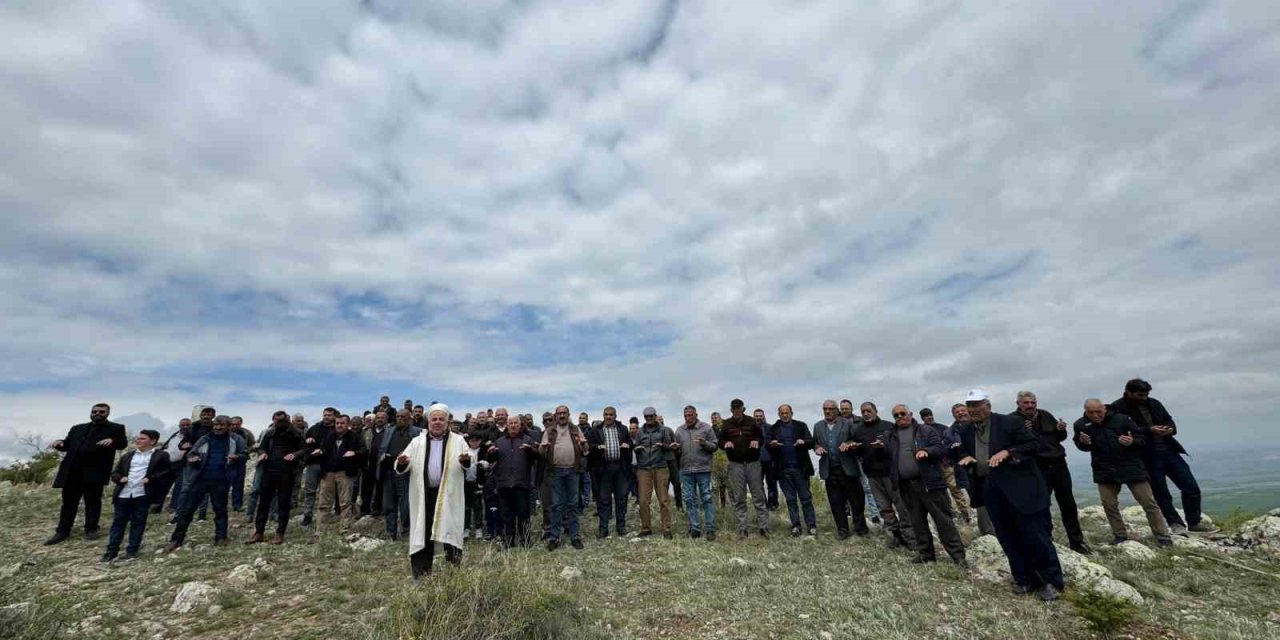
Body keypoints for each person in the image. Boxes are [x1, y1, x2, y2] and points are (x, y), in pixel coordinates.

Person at [958, 389, 1063, 602]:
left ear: (988, 405)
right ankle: (1024, 579)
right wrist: (966, 457)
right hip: (991, 490)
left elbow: (1034, 444)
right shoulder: (967, 430)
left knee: (1036, 536)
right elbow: (960, 451)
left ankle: (1051, 581)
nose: (973, 410)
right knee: (1008, 537)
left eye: (977, 405)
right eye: (970, 406)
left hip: (1022, 489)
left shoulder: (1009, 423)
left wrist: (1008, 452)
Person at [1110, 379, 1217, 534]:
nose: (1144, 397)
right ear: (1129, 392)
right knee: (1161, 493)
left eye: (1146, 394)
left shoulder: (1154, 403)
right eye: (1140, 395)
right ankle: (1175, 524)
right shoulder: (1118, 408)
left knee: (1191, 487)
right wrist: (1149, 430)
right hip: (1146, 457)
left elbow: (1170, 421)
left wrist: (1169, 429)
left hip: (1169, 451)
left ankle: (1194, 522)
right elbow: (1121, 432)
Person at [1073, 399, 1173, 546]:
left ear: (1104, 408)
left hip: (1130, 466)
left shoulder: (1122, 419)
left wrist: (1131, 442)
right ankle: (1120, 536)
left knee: (1148, 502)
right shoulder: (1080, 424)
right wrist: (1083, 443)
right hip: (1104, 469)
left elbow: (1142, 440)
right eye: (1090, 412)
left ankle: (1163, 537)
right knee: (1109, 504)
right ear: (1085, 410)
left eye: (1098, 411)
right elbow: (1081, 445)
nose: (1095, 415)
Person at [394, 404, 472, 580]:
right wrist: (402, 463)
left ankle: (453, 575)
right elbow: (401, 466)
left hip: (449, 496)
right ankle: (421, 576)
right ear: (428, 421)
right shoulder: (417, 442)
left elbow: (470, 462)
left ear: (447, 422)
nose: (437, 422)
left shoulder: (458, 441)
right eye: (434, 419)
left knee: (450, 531)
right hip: (424, 496)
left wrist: (465, 461)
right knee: (423, 532)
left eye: (441, 419)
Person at [886, 405, 967, 567]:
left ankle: (958, 557)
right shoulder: (890, 436)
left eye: (903, 413)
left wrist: (926, 451)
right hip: (906, 486)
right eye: (896, 415)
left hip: (930, 483)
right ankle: (926, 554)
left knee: (943, 520)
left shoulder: (925, 431)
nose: (900, 416)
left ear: (911, 414)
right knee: (917, 522)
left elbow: (941, 449)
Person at [1013, 391, 1089, 554]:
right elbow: (1012, 444)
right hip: (1035, 466)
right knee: (1041, 505)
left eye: (1032, 402)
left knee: (1068, 503)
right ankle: (1046, 540)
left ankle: (1077, 542)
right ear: (1018, 404)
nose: (1030, 406)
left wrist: (1061, 430)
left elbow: (1059, 437)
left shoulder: (1046, 415)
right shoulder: (1012, 420)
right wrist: (1023, 431)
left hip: (1058, 464)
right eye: (1026, 403)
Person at [45, 403, 128, 545]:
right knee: (68, 503)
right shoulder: (78, 428)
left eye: (101, 412)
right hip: (72, 471)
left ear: (107, 413)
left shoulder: (116, 428)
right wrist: (59, 443)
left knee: (93, 501)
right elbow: (67, 445)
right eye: (94, 411)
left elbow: (122, 443)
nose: (97, 413)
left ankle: (91, 529)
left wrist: (113, 440)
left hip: (95, 471)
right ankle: (63, 531)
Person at [167, 415, 248, 551]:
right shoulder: (205, 438)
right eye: (216, 424)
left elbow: (245, 454)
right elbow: (191, 453)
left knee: (220, 510)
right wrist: (193, 458)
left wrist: (237, 457)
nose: (218, 427)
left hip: (222, 480)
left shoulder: (236, 439)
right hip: (200, 479)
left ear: (228, 426)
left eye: (222, 425)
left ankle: (221, 537)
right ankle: (176, 539)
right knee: (187, 510)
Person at [101, 430, 170, 562]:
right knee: (118, 523)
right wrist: (120, 479)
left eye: (142, 438)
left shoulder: (161, 455)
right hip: (124, 493)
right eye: (138, 438)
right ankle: (111, 552)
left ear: (153, 441)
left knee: (138, 523)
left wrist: (151, 478)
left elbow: (166, 472)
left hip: (143, 494)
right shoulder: (128, 456)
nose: (138, 440)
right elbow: (115, 472)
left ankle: (132, 551)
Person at [852, 402, 913, 549]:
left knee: (902, 507)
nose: (866, 413)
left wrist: (884, 446)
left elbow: (897, 447)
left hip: (890, 473)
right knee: (884, 509)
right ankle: (895, 537)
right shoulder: (858, 431)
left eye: (868, 410)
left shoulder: (888, 426)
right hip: (872, 475)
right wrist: (854, 448)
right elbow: (860, 453)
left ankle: (911, 539)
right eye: (863, 411)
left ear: (875, 411)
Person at [247, 411, 305, 545]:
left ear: (287, 420)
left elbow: (304, 449)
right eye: (276, 421)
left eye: (281, 421)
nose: (278, 423)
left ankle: (280, 533)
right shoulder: (270, 433)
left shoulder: (296, 434)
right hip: (269, 471)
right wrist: (262, 454)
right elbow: (261, 448)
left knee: (283, 504)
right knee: (263, 503)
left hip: (287, 472)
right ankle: (259, 532)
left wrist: (294, 455)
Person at [813, 400, 868, 539]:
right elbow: (815, 443)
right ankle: (843, 531)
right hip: (829, 470)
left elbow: (857, 440)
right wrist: (817, 448)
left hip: (848, 468)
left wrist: (849, 443)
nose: (827, 411)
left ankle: (860, 529)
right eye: (825, 408)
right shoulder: (818, 426)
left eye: (831, 408)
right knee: (836, 502)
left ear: (836, 410)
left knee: (857, 500)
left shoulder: (847, 423)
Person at [539, 405, 589, 550]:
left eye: (564, 413)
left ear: (568, 414)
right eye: (559, 413)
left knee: (573, 504)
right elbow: (541, 452)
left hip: (573, 471)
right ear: (555, 415)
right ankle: (554, 537)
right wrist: (543, 447)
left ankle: (575, 536)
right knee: (556, 505)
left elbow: (585, 450)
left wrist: (584, 445)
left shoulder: (575, 429)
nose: (561, 415)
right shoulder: (550, 431)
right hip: (555, 472)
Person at [487, 414, 541, 548]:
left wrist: (530, 451)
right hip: (504, 484)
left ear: (520, 425)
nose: (513, 425)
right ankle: (509, 541)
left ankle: (526, 540)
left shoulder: (527, 440)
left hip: (521, 483)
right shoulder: (499, 442)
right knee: (506, 515)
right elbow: (491, 460)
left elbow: (536, 457)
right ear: (507, 425)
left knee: (523, 514)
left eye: (515, 423)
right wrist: (490, 453)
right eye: (510, 423)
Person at [719, 399, 770, 538]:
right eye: (734, 409)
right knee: (739, 497)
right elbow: (720, 442)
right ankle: (742, 529)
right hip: (735, 464)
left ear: (743, 409)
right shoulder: (726, 424)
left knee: (758, 496)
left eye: (738, 409)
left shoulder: (752, 421)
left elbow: (761, 438)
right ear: (731, 410)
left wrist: (757, 441)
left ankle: (764, 528)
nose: (736, 411)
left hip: (753, 463)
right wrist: (725, 443)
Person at [586, 406, 634, 539]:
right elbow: (589, 446)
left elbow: (630, 442)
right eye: (606, 414)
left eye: (611, 415)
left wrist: (627, 445)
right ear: (603, 416)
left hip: (620, 468)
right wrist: (597, 447)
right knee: (603, 500)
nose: (608, 417)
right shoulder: (597, 430)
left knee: (621, 499)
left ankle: (621, 527)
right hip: (603, 469)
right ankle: (603, 528)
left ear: (615, 416)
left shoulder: (622, 429)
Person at [769, 404, 816, 536]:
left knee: (806, 498)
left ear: (791, 413)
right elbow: (767, 444)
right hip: (783, 470)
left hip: (800, 469)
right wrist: (772, 444)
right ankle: (796, 526)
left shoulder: (801, 425)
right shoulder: (774, 428)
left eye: (787, 413)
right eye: (782, 413)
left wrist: (803, 442)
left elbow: (811, 442)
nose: (785, 415)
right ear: (779, 414)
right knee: (790, 500)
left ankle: (811, 526)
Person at [673, 405, 718, 540]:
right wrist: (675, 449)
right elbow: (677, 451)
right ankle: (695, 528)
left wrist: (705, 443)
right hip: (686, 470)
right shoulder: (680, 431)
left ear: (696, 415)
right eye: (685, 416)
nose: (688, 418)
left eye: (690, 415)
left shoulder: (706, 428)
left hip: (703, 469)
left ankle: (710, 529)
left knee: (707, 498)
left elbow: (715, 446)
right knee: (689, 500)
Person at [313, 415, 365, 527]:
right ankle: (320, 530)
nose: (339, 425)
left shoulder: (355, 437)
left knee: (345, 503)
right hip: (327, 473)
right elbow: (323, 449)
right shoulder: (329, 436)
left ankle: (344, 529)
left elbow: (364, 451)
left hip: (345, 473)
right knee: (324, 503)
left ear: (348, 425)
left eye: (342, 423)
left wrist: (355, 453)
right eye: (337, 423)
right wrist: (320, 451)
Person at [633, 407, 675, 539]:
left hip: (660, 467)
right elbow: (636, 447)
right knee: (643, 500)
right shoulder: (640, 431)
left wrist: (662, 445)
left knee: (663, 500)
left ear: (655, 416)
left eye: (651, 416)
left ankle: (666, 529)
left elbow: (670, 447)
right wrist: (637, 449)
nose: (649, 418)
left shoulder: (664, 430)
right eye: (646, 417)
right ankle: (646, 528)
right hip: (643, 468)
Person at [379, 411, 422, 540]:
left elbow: (421, 451)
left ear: (410, 419)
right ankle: (390, 532)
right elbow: (382, 448)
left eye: (403, 417)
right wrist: (382, 457)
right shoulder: (389, 431)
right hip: (389, 472)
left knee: (406, 504)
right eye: (398, 416)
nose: (400, 419)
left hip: (407, 473)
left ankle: (407, 531)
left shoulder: (418, 432)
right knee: (388, 504)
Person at [841, 399, 881, 524]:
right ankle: (849, 512)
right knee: (847, 488)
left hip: (860, 457)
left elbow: (865, 435)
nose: (844, 411)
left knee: (867, 486)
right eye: (842, 408)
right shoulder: (837, 422)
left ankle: (875, 513)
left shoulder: (860, 421)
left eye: (846, 408)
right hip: (845, 459)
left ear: (851, 409)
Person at [300, 407, 337, 526]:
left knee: (326, 492)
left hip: (328, 464)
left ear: (334, 416)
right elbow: (303, 444)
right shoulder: (314, 428)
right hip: (313, 463)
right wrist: (307, 441)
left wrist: (323, 451)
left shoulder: (337, 429)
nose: (326, 417)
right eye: (325, 415)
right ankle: (307, 514)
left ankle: (324, 516)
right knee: (310, 490)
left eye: (329, 415)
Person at [154, 418, 190, 514]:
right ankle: (156, 507)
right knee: (162, 486)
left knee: (179, 487)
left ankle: (174, 508)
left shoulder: (192, 437)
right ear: (179, 426)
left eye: (187, 425)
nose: (185, 427)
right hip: (168, 464)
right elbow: (166, 447)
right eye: (183, 425)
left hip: (182, 465)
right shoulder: (175, 436)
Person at [359, 412, 389, 518]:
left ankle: (377, 509)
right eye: (378, 418)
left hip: (381, 465)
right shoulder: (367, 431)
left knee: (380, 488)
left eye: (382, 418)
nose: (380, 419)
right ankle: (364, 509)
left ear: (386, 419)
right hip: (368, 464)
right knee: (366, 488)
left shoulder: (389, 432)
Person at [228, 416, 255, 512]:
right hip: (226, 462)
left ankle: (237, 505)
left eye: (237, 424)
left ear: (241, 424)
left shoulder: (246, 433)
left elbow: (253, 444)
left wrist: (245, 451)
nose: (235, 426)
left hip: (240, 461)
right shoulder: (225, 433)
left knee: (239, 484)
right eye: (233, 424)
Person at [754, 408, 780, 511]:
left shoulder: (770, 428)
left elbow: (776, 442)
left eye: (760, 416)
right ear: (754, 417)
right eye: (756, 416)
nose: (758, 418)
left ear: (763, 416)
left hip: (770, 460)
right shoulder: (751, 429)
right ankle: (763, 504)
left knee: (772, 483)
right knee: (758, 485)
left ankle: (773, 504)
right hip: (756, 461)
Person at [463, 432, 486, 539]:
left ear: (480, 441)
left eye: (476, 440)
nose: (474, 442)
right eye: (472, 440)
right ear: (468, 441)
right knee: (466, 507)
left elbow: (488, 465)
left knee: (478, 506)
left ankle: (478, 528)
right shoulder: (465, 451)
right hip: (466, 482)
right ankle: (466, 528)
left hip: (478, 482)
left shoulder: (483, 451)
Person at [710, 412, 730, 508]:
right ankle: (716, 507)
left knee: (727, 484)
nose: (714, 419)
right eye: (712, 418)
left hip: (726, 459)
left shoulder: (726, 428)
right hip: (714, 460)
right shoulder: (709, 430)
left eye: (716, 417)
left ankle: (727, 506)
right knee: (715, 486)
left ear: (720, 418)